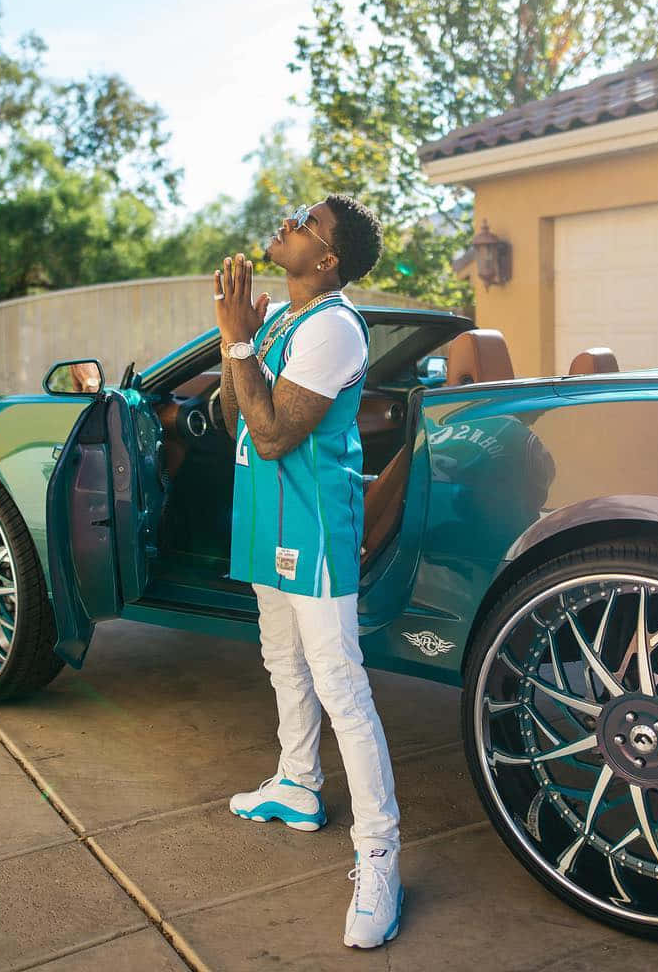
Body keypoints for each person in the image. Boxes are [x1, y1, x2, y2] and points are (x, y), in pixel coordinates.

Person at [212, 196, 402, 950]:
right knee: (281, 659)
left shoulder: (330, 326)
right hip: (268, 523)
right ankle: (296, 785)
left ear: (327, 261)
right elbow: (235, 422)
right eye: (296, 215)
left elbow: (275, 433)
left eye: (307, 225)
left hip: (315, 532)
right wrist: (242, 347)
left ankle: (379, 855)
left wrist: (235, 342)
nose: (288, 223)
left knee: (341, 686)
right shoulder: (287, 321)